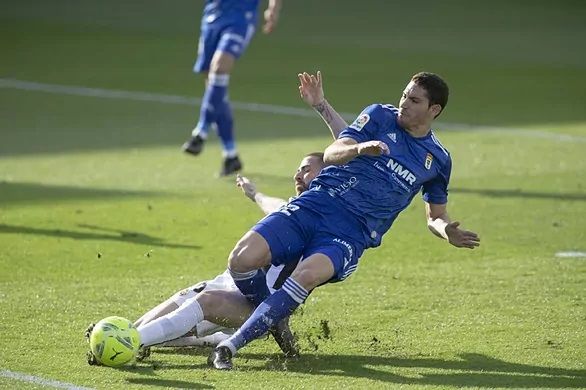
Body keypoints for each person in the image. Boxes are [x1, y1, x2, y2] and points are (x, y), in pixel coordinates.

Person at [208, 71, 481, 370]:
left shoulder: (438, 159)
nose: (404, 103)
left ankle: (230, 346)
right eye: (404, 95)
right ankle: (274, 318)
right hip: (316, 205)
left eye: (414, 100)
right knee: (241, 259)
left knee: (307, 275)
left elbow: (436, 215)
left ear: (434, 110)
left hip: (351, 233)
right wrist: (359, 148)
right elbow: (333, 151)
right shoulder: (378, 115)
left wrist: (446, 231)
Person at [86, 71, 343, 365]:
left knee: (202, 305)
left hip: (254, 304)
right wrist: (255, 194)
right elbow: (276, 206)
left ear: (328, 174)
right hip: (227, 284)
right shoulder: (294, 213)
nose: (298, 174)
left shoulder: (320, 227)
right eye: (298, 168)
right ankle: (138, 336)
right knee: (178, 305)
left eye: (307, 169)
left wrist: (279, 321)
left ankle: (126, 343)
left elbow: (301, 278)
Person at [181, 0, 283, 176]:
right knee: (215, 91)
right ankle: (231, 155)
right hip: (211, 18)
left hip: (240, 18)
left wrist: (273, 8)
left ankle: (200, 132)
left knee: (219, 69)